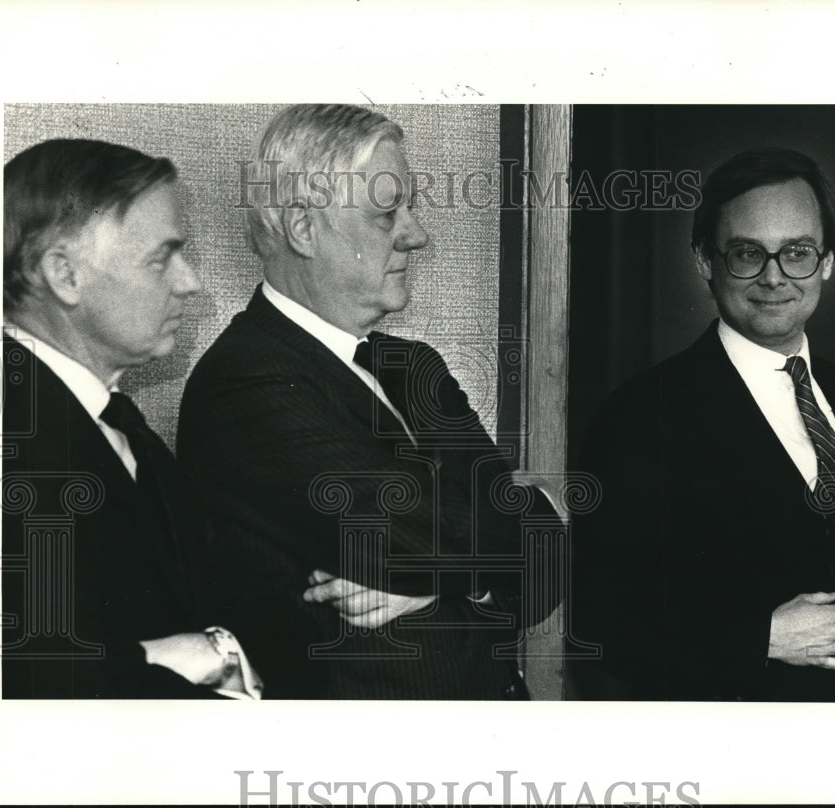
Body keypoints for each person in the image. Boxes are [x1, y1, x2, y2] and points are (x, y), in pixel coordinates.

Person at [176, 104, 561, 699]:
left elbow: (544, 569)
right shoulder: (244, 381)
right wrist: (534, 517)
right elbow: (418, 538)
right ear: (303, 230)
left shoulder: (415, 368)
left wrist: (441, 579)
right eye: (387, 215)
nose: (417, 235)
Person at [570, 148, 835, 701]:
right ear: (705, 260)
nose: (774, 277)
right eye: (747, 253)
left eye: (797, 252)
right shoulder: (639, 413)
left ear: (828, 262)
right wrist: (759, 638)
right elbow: (595, 620)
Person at [2, 138, 261, 699]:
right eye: (160, 257)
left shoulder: (114, 420)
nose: (191, 282)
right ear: (65, 275)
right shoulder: (0, 443)